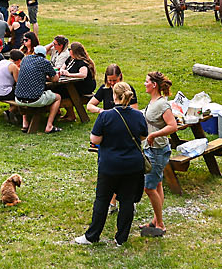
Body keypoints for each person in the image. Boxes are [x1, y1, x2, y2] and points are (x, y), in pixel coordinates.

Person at [76, 80, 148, 246]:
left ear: (114, 96)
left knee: (102, 200)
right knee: (127, 201)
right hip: (133, 166)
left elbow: (95, 139)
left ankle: (92, 236)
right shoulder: (138, 116)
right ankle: (121, 238)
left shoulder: (105, 116)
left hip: (110, 165)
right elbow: (143, 136)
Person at [140, 70, 180, 238]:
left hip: (157, 150)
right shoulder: (154, 101)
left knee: (149, 188)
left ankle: (161, 224)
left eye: (147, 81)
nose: (144, 84)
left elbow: (173, 126)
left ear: (154, 85)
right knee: (157, 185)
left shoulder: (163, 104)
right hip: (153, 149)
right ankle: (156, 220)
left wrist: (153, 135)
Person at [14, 47, 62, 134]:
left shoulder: (25, 59)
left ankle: (25, 123)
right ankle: (49, 126)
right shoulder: (44, 62)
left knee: (25, 89)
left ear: (34, 52)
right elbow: (55, 79)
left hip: (18, 99)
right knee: (58, 97)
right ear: (44, 55)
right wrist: (48, 77)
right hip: (35, 100)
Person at [55, 42, 98, 121]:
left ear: (74, 51)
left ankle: (71, 115)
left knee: (64, 91)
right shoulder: (70, 59)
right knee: (59, 88)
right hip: (74, 84)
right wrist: (62, 71)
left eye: (70, 49)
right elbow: (62, 67)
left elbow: (83, 74)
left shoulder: (82, 63)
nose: (68, 51)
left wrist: (69, 74)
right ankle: (69, 113)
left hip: (84, 86)